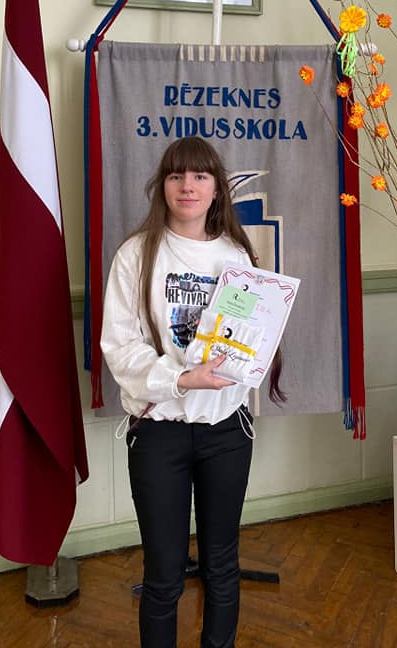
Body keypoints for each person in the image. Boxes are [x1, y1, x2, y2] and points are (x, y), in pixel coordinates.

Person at [101, 137, 284, 648]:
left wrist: (255, 347)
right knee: (163, 573)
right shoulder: (136, 255)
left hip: (226, 432)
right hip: (158, 434)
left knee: (222, 563)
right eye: (177, 175)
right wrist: (182, 379)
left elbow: (248, 337)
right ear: (162, 186)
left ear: (216, 188)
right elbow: (120, 347)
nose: (188, 186)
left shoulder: (236, 255)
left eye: (200, 176)